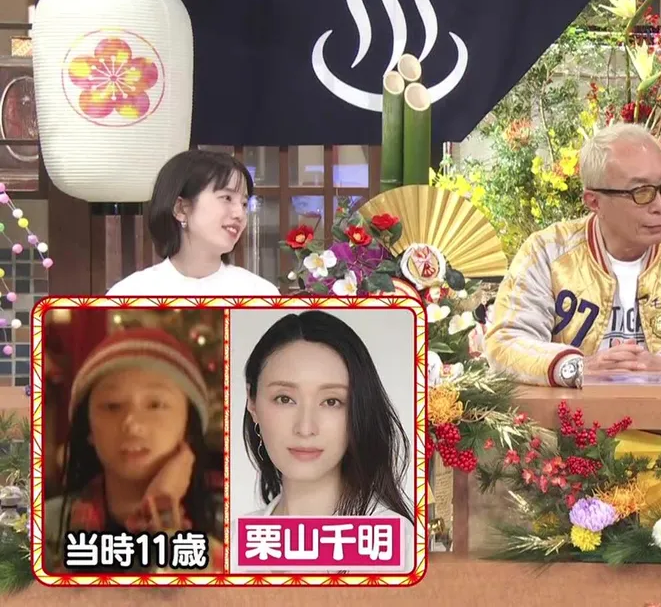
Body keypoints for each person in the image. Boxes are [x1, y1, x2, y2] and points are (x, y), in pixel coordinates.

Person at [485, 123, 661, 388]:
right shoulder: (547, 251)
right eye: (641, 192)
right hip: (573, 413)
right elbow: (505, 342)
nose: (660, 205)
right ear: (594, 201)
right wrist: (576, 368)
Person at [44, 328, 224, 573]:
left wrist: (163, 513)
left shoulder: (236, 522)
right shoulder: (42, 527)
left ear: (188, 426)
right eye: (112, 406)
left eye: (155, 404)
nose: (132, 423)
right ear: (88, 429)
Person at [241, 310, 412, 522]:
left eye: (331, 402)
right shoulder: (234, 536)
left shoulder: (395, 536)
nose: (305, 428)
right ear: (252, 402)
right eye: (284, 399)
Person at [106, 149, 279, 296]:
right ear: (181, 209)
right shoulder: (130, 294)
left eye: (244, 204)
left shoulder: (260, 294)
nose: (239, 214)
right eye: (227, 198)